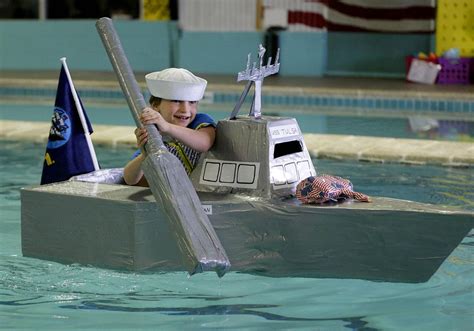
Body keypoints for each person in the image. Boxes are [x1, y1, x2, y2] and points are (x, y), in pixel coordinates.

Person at [123, 68, 216, 186]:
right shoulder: (154, 136)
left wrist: (166, 126)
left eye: (192, 102)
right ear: (155, 105)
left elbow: (204, 143)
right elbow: (130, 180)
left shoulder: (200, 121)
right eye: (176, 101)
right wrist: (146, 154)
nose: (185, 110)